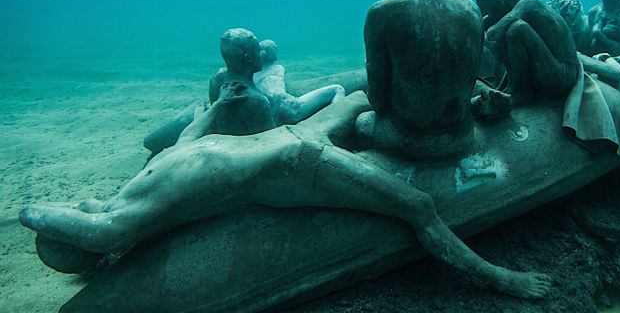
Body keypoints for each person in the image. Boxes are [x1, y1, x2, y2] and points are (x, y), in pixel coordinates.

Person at [19, 91, 549, 299]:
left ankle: (477, 102)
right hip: (298, 158)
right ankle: (499, 278)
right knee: (417, 205)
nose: (82, 209)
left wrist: (33, 214)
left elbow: (92, 230)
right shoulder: (144, 186)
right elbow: (190, 133)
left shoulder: (132, 202)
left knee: (367, 116)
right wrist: (35, 214)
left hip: (295, 150)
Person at [355, 0, 484, 158]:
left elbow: (377, 101)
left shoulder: (381, 12)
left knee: (363, 122)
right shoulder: (471, 9)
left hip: (408, 138)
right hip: (461, 135)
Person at [478, 0, 579, 105]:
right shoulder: (511, 9)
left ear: (501, 3)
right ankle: (513, 86)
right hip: (547, 67)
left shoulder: (529, 4)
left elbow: (494, 33)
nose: (489, 14)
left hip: (563, 75)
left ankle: (521, 92)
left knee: (517, 29)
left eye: (490, 9)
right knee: (510, 31)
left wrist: (485, 28)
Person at [253, 39, 346, 126]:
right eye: (274, 48)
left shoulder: (253, 74)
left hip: (272, 116)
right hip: (290, 108)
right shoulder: (279, 68)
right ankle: (336, 122)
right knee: (338, 88)